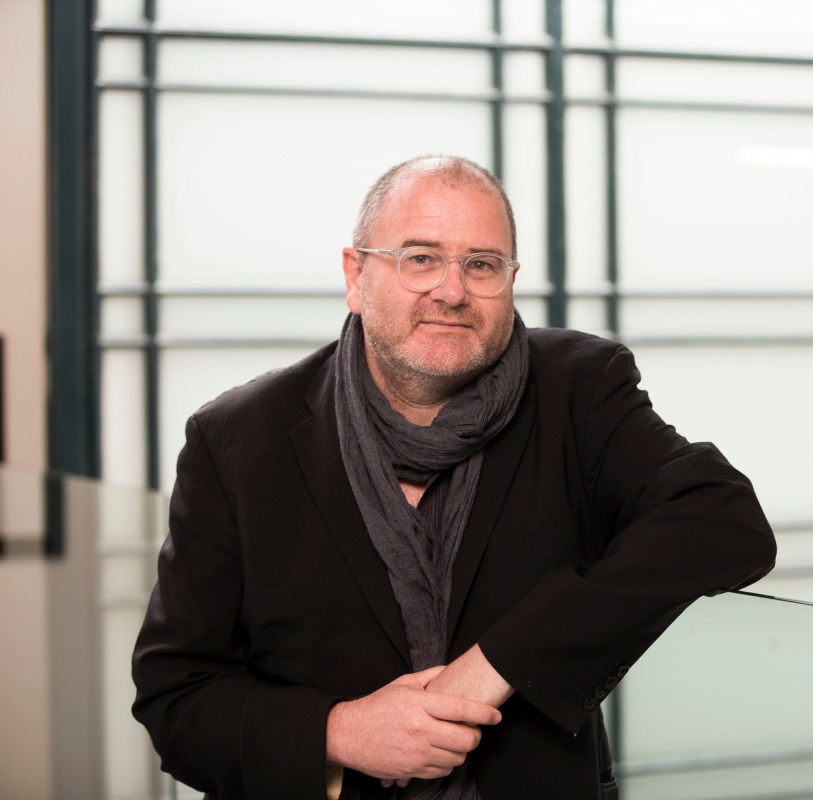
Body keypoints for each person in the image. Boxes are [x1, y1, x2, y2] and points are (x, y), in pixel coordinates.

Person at [132, 155, 775, 800]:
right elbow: (176, 699)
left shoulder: (578, 388)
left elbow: (723, 520)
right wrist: (339, 732)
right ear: (357, 275)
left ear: (511, 279)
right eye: (420, 258)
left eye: (481, 263)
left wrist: (497, 664)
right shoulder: (240, 436)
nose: (452, 290)